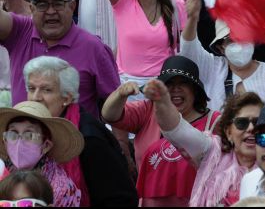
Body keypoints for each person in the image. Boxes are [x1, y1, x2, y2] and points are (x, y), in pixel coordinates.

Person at [102, 55, 219, 205]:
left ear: (195, 90)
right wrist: (120, 94)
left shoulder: (215, 121)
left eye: (183, 83)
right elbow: (109, 115)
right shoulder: (148, 110)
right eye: (169, 83)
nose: (175, 89)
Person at [23, 56, 138, 206]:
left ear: (68, 98)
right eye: (31, 88)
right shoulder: (30, 129)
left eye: (46, 90)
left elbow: (120, 199)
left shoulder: (88, 138)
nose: (36, 97)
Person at [0, 0, 119, 119]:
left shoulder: (94, 47)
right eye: (42, 5)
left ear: (72, 6)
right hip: (25, 138)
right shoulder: (20, 31)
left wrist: (121, 141)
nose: (50, 11)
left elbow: (115, 102)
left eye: (58, 3)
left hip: (76, 140)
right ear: (32, 9)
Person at [142, 81, 263, 206]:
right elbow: (178, 132)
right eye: (241, 123)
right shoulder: (212, 154)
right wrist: (163, 102)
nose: (250, 128)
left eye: (257, 122)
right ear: (229, 132)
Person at [180, 0, 265, 112]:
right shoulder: (212, 67)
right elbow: (188, 50)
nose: (239, 43)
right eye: (231, 40)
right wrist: (192, 19)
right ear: (221, 48)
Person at [0, 101, 83, 206]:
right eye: (13, 134)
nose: (19, 142)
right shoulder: (1, 174)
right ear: (5, 141)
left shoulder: (61, 189)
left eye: (29, 135)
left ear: (46, 146)